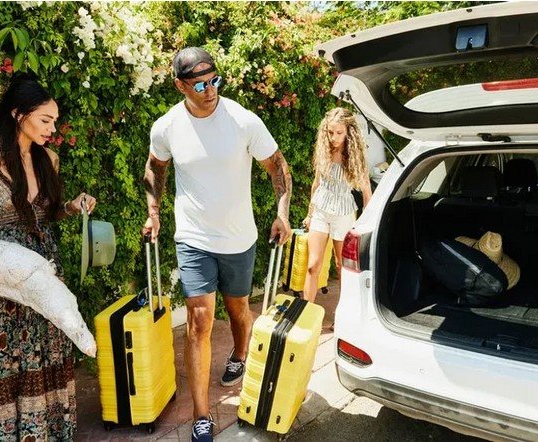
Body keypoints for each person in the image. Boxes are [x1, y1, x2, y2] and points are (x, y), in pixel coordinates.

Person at [141, 47, 291, 442]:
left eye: (215, 80)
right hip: (193, 238)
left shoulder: (243, 120)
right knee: (199, 321)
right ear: (180, 85)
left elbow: (278, 166)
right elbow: (155, 168)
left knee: (239, 309)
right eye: (200, 84)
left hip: (239, 238)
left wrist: (283, 212)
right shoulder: (167, 126)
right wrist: (153, 211)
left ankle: (240, 354)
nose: (210, 90)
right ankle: (202, 415)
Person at [0, 74, 96, 440]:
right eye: (45, 119)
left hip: (43, 278)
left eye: (55, 120)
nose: (52, 127)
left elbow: (45, 215)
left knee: (44, 361)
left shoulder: (49, 158)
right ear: (18, 114)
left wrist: (71, 206)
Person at [302, 108, 372, 303]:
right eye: (330, 132)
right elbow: (316, 184)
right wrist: (310, 214)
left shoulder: (356, 155)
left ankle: (342, 318)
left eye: (339, 132)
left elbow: (367, 193)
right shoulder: (324, 150)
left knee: (342, 267)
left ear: (349, 131)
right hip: (321, 211)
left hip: (344, 214)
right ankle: (306, 314)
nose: (333, 137)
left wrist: (365, 224)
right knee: (312, 265)